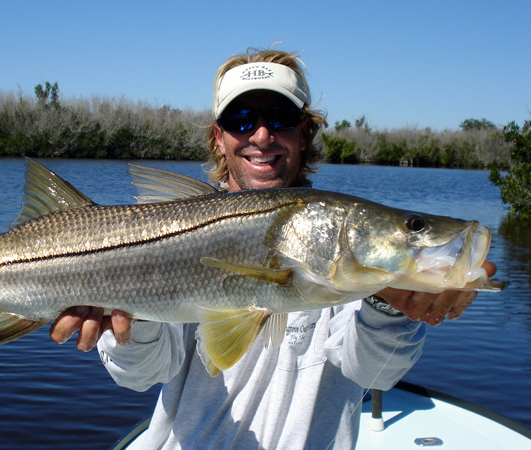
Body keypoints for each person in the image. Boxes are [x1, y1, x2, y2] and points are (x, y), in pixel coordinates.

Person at [49, 48, 497, 449]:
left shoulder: (340, 253)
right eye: (241, 121)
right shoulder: (181, 225)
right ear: (219, 137)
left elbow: (375, 374)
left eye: (279, 118)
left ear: (305, 133)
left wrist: (393, 306)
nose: (261, 135)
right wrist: (130, 321)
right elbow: (142, 375)